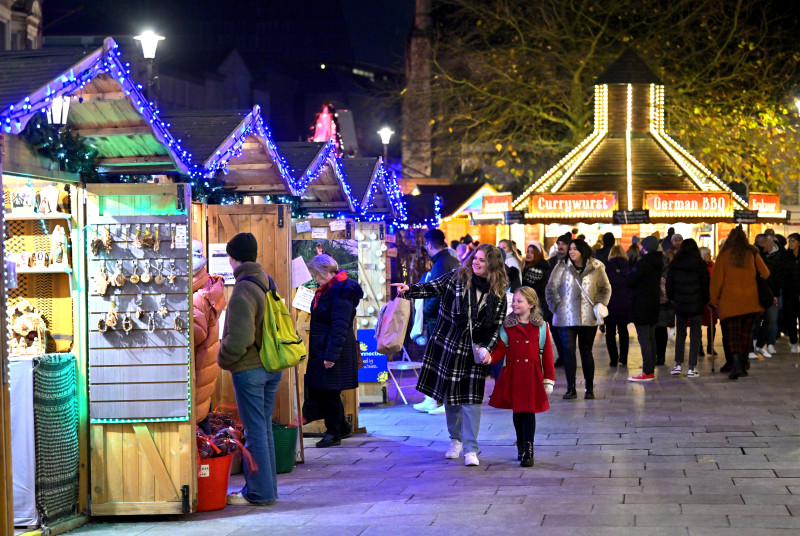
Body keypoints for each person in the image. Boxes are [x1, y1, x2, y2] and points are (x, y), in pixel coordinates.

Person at [394, 244, 507, 466]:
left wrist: (488, 348)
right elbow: (433, 287)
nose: (476, 262)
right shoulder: (458, 277)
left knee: (471, 400)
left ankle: (471, 448)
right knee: (452, 399)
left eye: (482, 260)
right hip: (449, 346)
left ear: (492, 265)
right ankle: (455, 440)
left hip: (474, 351)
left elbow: (497, 327)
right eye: (475, 258)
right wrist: (409, 290)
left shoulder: (499, 293)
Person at [218, 232, 280, 506]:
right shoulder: (267, 281)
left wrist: (224, 358)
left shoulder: (243, 289)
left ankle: (258, 493)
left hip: (250, 370)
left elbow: (240, 338)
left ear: (233, 258)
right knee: (263, 431)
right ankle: (268, 490)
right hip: (271, 365)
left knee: (255, 433)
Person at [484, 287, 555, 467]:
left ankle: (529, 449)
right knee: (518, 412)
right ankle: (521, 445)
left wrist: (549, 380)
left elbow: (547, 356)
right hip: (514, 375)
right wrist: (490, 357)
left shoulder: (542, 327)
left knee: (528, 412)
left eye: (519, 301)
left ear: (531, 304)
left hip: (532, 376)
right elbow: (500, 350)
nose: (514, 304)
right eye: (514, 300)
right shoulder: (507, 327)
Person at [304, 254, 364, 447]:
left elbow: (339, 326)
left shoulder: (341, 292)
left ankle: (334, 433)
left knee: (330, 392)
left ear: (325, 272)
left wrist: (331, 356)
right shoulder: (330, 290)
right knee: (326, 390)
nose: (315, 279)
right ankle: (342, 427)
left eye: (316, 275)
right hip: (325, 347)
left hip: (334, 349)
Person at [545, 238, 611, 399]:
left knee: (586, 351)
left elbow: (605, 288)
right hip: (565, 317)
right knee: (568, 351)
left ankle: (589, 388)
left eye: (575, 249)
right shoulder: (561, 266)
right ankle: (571, 388)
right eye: (570, 249)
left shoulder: (597, 266)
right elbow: (550, 289)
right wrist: (557, 306)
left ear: (583, 250)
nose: (571, 251)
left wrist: (600, 304)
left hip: (588, 317)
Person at [710, 226, 770, 379]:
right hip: (750, 301)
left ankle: (736, 365)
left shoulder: (724, 255)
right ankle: (742, 365)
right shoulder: (752, 252)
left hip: (730, 303)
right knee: (745, 334)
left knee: (733, 335)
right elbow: (766, 273)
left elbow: (716, 281)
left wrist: (714, 300)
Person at [413, 229, 460, 414]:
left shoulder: (441, 264)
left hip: (441, 319)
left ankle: (443, 401)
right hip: (448, 318)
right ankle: (432, 398)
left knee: (441, 361)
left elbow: (437, 294)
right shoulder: (449, 261)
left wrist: (425, 312)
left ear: (429, 244)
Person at [192, 240, 227, 433]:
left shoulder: (197, 298)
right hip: (206, 360)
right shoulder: (208, 286)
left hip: (199, 364)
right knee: (202, 411)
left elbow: (195, 336)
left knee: (198, 419)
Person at [665, 239, 709, 377]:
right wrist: (704, 301)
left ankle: (678, 364)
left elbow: (669, 285)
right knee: (695, 335)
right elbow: (706, 285)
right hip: (696, 304)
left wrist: (674, 299)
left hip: (680, 304)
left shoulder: (675, 264)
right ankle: (692, 367)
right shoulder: (700, 265)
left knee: (681, 334)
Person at [627, 236, 663, 382]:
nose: (640, 248)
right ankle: (650, 369)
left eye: (642, 246)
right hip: (653, 303)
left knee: (644, 339)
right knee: (651, 338)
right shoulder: (658, 261)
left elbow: (630, 280)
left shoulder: (643, 263)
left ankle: (647, 371)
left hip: (641, 304)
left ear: (646, 248)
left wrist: (631, 268)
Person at [753, 234, 781, 357]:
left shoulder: (765, 255)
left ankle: (760, 345)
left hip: (768, 293)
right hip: (762, 294)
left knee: (769, 319)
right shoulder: (757, 256)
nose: (770, 244)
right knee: (762, 320)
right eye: (768, 242)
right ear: (763, 243)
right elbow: (765, 277)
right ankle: (756, 345)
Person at [547, 233, 572, 367]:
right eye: (559, 244)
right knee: (555, 331)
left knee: (565, 333)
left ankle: (567, 356)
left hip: (567, 302)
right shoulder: (551, 262)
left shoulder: (572, 261)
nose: (561, 246)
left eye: (563, 244)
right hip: (553, 303)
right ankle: (562, 356)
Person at [604, 245, 630, 367]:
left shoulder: (606, 267)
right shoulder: (628, 266)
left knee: (610, 332)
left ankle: (613, 359)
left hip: (609, 303)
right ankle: (623, 358)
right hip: (624, 302)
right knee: (623, 330)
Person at [779, 233, 800, 353]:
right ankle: (793, 342)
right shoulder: (785, 256)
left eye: (793, 241)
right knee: (791, 318)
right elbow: (781, 273)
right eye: (790, 241)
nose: (791, 243)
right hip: (789, 292)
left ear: (798, 243)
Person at [699, 247, 718, 357]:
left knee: (712, 324)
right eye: (708, 254)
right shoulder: (699, 267)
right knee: (698, 324)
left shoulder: (713, 266)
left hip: (711, 299)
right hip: (701, 299)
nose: (710, 256)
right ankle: (699, 347)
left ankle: (710, 346)